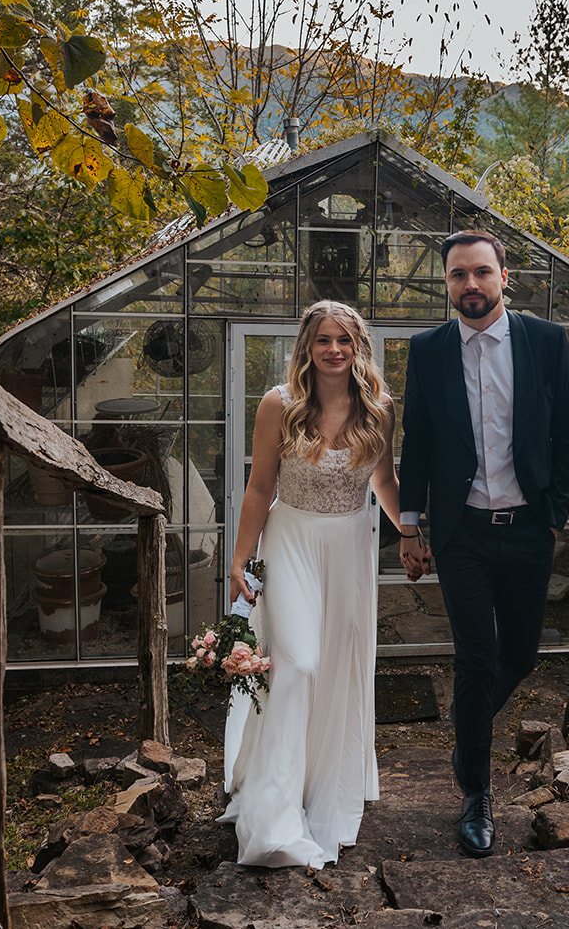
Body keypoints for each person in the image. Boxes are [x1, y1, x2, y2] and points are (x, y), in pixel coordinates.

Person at [397, 229, 569, 857]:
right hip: (463, 532)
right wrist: (410, 526)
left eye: (480, 272)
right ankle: (477, 794)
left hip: (529, 528)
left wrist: (554, 515)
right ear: (446, 283)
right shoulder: (428, 351)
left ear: (505, 276)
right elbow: (416, 442)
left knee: (521, 656)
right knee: (476, 659)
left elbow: (567, 434)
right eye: (457, 275)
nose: (469, 285)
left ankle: (465, 732)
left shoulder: (547, 342)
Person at [218, 300, 401, 868]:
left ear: (358, 346)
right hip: (292, 539)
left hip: (350, 547)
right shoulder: (280, 404)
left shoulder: (379, 408)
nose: (334, 349)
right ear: (307, 346)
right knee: (295, 661)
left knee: (338, 669)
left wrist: (415, 533)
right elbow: (258, 487)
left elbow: (385, 480)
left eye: (344, 339)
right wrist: (240, 558)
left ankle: (322, 785)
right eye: (323, 339)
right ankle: (273, 811)